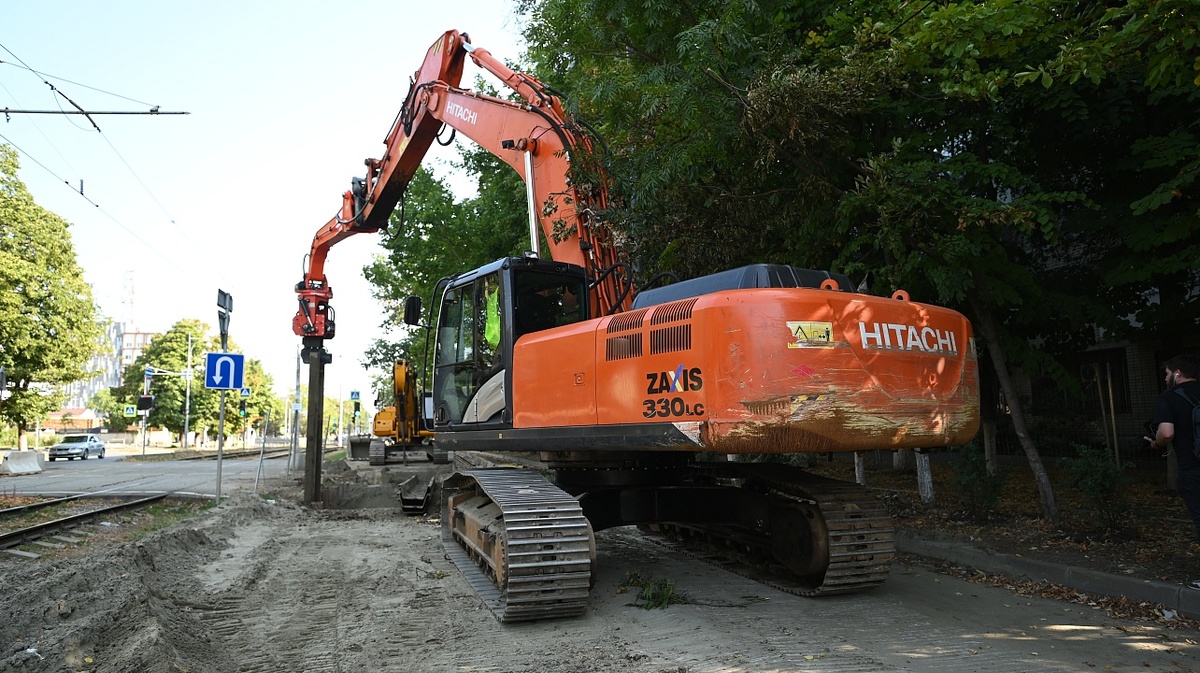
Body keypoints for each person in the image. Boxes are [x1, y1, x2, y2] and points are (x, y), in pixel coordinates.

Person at [1147, 354, 1200, 587]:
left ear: (1177, 373)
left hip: (1192, 468)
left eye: (1167, 374)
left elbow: (1166, 433)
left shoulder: (1169, 397)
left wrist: (1156, 442)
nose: (1166, 378)